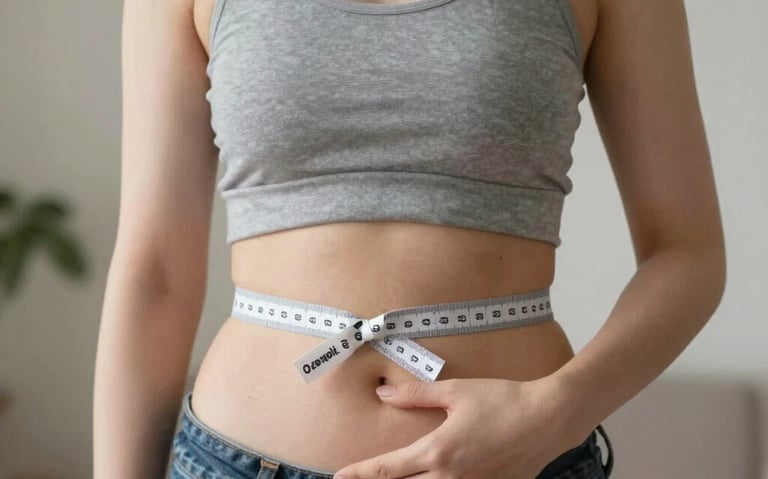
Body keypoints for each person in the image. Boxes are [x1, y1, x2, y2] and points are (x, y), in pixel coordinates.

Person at [93, 0, 726, 477]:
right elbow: (156, 272)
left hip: (518, 463)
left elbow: (688, 253)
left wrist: (558, 412)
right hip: (238, 459)